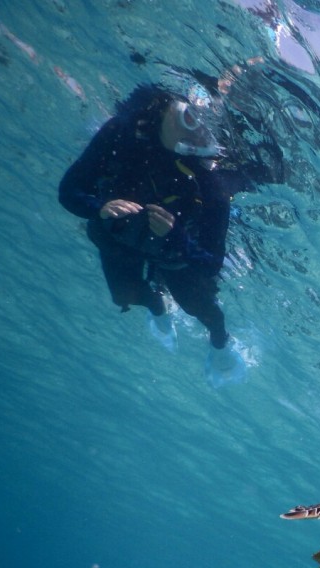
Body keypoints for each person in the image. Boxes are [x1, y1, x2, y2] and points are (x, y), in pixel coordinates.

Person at [59, 82, 245, 386]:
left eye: (203, 128)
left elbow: (211, 263)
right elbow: (69, 191)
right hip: (118, 235)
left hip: (174, 254)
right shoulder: (121, 132)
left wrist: (176, 237)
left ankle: (221, 347)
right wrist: (100, 207)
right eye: (189, 117)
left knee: (204, 310)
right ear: (167, 107)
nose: (195, 132)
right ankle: (158, 308)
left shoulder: (210, 184)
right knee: (124, 295)